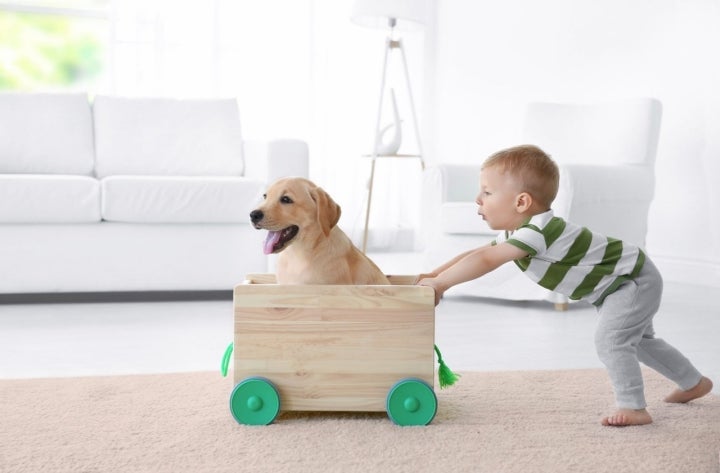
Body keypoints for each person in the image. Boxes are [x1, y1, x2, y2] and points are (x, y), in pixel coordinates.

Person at [417, 144, 713, 427]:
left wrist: (442, 284)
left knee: (612, 341)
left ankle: (633, 406)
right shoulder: (520, 230)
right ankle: (694, 382)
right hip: (624, 282)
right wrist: (435, 275)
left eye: (487, 192)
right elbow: (475, 254)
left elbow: (487, 259)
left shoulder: (538, 232)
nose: (478, 200)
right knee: (642, 343)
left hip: (632, 279)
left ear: (522, 202)